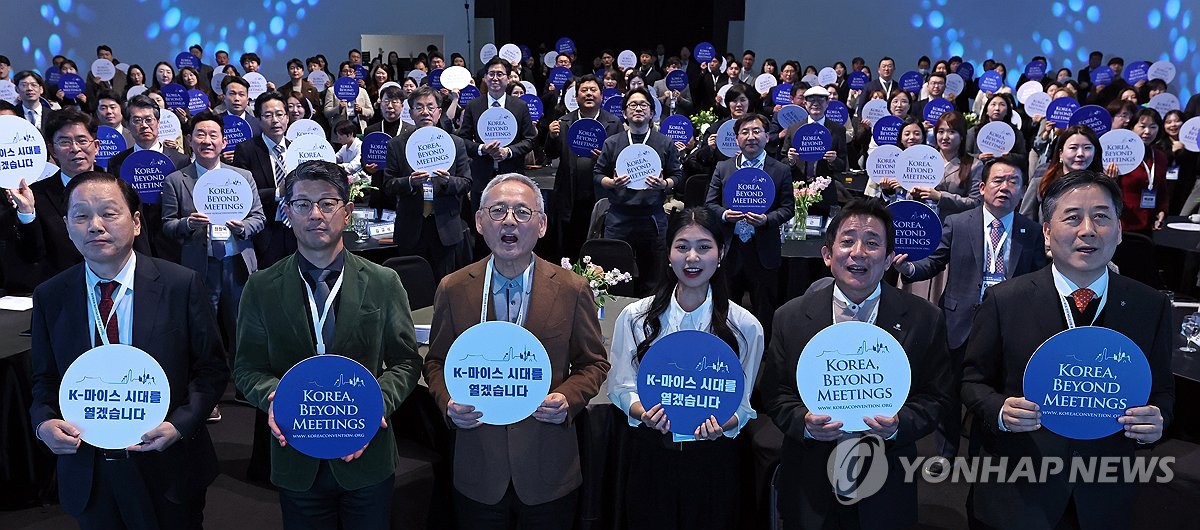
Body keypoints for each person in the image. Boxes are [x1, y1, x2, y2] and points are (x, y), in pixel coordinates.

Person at [961, 170, 1174, 529]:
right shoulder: (1005, 300)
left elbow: (1162, 393)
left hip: (1102, 492)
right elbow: (971, 381)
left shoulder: (1149, 305)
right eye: (1072, 217)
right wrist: (1000, 411)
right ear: (1047, 232)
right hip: (1018, 489)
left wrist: (1158, 421)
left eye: (1102, 217)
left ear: (1120, 230)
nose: (1088, 229)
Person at [30, 171, 228, 529]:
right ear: (67, 226)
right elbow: (44, 380)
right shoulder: (51, 295)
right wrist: (44, 424)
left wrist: (180, 425)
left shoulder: (179, 284)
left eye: (108, 213)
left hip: (167, 466)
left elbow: (211, 369)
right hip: (89, 469)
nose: (94, 226)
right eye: (81, 216)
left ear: (136, 222)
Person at [234, 160, 422, 529]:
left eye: (327, 203)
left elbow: (405, 362)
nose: (315, 214)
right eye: (302, 204)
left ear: (347, 212)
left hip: (365, 454)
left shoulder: (384, 281)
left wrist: (373, 406)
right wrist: (276, 396)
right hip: (296, 452)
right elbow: (247, 367)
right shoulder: (261, 286)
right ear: (287, 213)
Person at [423, 173, 609, 528]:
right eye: (498, 211)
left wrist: (568, 399)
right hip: (479, 466)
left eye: (523, 212)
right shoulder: (454, 287)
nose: (509, 221)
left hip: (547, 467)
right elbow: (436, 361)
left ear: (541, 225)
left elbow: (593, 363)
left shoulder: (571, 288)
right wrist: (447, 402)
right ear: (479, 222)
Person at [762, 197, 951, 530]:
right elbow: (776, 394)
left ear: (890, 258)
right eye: (847, 241)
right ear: (827, 255)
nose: (859, 252)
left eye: (873, 243)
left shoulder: (925, 319)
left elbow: (936, 398)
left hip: (886, 478)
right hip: (810, 479)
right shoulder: (789, 317)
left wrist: (899, 424)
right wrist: (804, 423)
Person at [608, 206, 763, 530]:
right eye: (682, 246)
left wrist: (723, 423)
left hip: (713, 461)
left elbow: (744, 404)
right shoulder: (636, 316)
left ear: (721, 254)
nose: (692, 257)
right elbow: (621, 386)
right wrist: (641, 412)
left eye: (704, 247)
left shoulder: (745, 326)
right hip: (653, 455)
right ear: (668, 254)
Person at [894, 155, 1048, 458]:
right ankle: (946, 451)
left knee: (996, 392)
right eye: (998, 180)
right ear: (982, 187)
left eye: (1013, 182)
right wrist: (909, 269)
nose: (1005, 187)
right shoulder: (958, 223)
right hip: (959, 321)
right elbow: (934, 262)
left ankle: (985, 452)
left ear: (1022, 190)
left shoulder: (1030, 231)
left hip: (1008, 325)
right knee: (949, 392)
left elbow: (1038, 279)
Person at [162, 110, 264, 352]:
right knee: (203, 329)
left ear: (223, 142)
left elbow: (259, 218)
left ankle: (242, 381)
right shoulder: (176, 180)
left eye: (213, 135)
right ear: (189, 140)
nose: (206, 141)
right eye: (200, 135)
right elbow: (167, 225)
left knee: (241, 326)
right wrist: (188, 224)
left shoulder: (243, 177)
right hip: (200, 265)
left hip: (236, 262)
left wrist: (244, 227)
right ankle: (209, 381)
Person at [11, 109, 151, 284]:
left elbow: (141, 247)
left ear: (97, 146)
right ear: (52, 150)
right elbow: (32, 255)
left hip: (120, 287)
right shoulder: (35, 195)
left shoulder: (121, 189)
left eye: (82, 140)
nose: (75, 148)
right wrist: (26, 213)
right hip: (63, 291)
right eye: (65, 142)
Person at [706, 113, 794, 337]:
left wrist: (767, 220)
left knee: (764, 306)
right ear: (737, 139)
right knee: (726, 306)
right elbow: (709, 205)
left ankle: (762, 353)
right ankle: (727, 347)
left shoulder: (780, 170)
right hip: (730, 248)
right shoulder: (723, 167)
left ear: (766, 136)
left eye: (756, 131)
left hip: (763, 249)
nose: (751, 136)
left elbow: (787, 209)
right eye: (744, 132)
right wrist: (725, 214)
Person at [594, 87, 684, 294]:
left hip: (652, 218)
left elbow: (678, 176)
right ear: (624, 113)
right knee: (614, 277)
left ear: (652, 112)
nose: (638, 108)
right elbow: (598, 174)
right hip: (618, 217)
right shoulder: (612, 142)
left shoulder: (664, 142)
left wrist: (665, 184)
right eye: (632, 105)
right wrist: (612, 182)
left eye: (643, 105)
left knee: (653, 278)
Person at [383, 86, 473, 280]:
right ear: (411, 112)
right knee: (414, 289)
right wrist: (409, 181)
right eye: (419, 107)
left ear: (439, 112)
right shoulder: (397, 145)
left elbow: (466, 182)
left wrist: (447, 181)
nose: (425, 112)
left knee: (447, 288)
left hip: (446, 228)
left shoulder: (455, 143)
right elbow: (388, 185)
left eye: (430, 107)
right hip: (411, 228)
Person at [545, 74, 623, 262]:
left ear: (601, 95)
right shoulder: (564, 122)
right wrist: (552, 136)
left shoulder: (614, 123)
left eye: (593, 90)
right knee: (569, 249)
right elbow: (551, 154)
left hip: (599, 195)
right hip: (569, 195)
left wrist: (605, 159)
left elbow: (620, 160)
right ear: (576, 96)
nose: (589, 94)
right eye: (584, 90)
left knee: (597, 249)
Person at [454, 56, 538, 212]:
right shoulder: (474, 106)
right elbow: (463, 140)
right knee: (482, 221)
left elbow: (530, 140)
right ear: (485, 78)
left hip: (512, 173)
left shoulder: (520, 106)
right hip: (481, 175)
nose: (495, 78)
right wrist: (481, 149)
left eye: (500, 74)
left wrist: (509, 151)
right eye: (491, 74)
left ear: (507, 79)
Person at [232, 91, 296, 268]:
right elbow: (242, 195)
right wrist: (277, 193)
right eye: (267, 115)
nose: (275, 120)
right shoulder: (246, 150)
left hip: (297, 229)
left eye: (279, 114)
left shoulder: (296, 149)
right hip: (265, 230)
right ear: (259, 120)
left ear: (287, 117)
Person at [1021, 125, 1110, 223]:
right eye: (1073, 148)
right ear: (1061, 153)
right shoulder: (1040, 184)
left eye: (1087, 148)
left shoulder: (1103, 187)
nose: (1080, 153)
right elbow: (1025, 223)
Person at [1118, 108, 1169, 233]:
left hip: (1150, 225)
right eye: (1142, 126)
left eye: (1153, 127)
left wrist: (1162, 210)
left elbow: (1162, 189)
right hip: (1122, 225)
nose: (1147, 132)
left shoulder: (1160, 157)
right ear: (1132, 128)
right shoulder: (1120, 155)